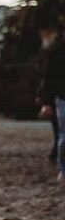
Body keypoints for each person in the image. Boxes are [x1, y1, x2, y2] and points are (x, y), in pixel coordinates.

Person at [38, 32, 65, 183]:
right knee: (64, 136)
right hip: (63, 98)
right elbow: (49, 78)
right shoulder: (58, 51)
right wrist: (46, 102)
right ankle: (63, 169)